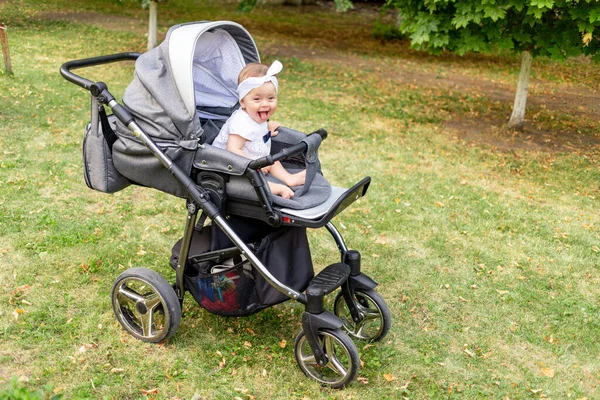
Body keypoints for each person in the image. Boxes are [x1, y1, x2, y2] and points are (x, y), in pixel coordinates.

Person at [212, 60, 305, 199]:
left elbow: (254, 133)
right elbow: (233, 149)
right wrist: (254, 165)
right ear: (243, 102)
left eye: (271, 98)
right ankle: (277, 188)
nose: (265, 104)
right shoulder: (240, 122)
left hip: (250, 155)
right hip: (228, 165)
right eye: (257, 99)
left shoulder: (254, 116)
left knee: (272, 160)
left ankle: (289, 178)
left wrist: (266, 131)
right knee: (252, 180)